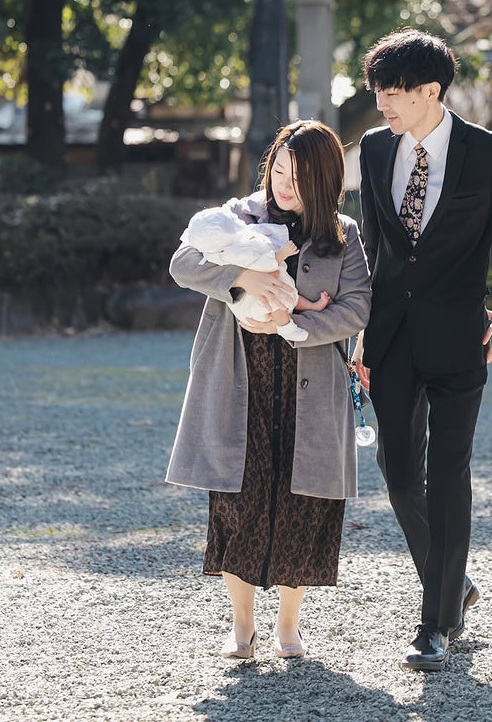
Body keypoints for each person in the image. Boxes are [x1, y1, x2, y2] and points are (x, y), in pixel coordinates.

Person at [353, 28, 492, 672]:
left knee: (447, 475)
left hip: (460, 340)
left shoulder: (489, 153)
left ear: (430, 90)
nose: (382, 103)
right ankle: (455, 584)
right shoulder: (374, 148)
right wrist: (359, 328)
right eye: (377, 90)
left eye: (393, 91)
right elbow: (376, 249)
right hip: (389, 338)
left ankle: (436, 622)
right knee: (397, 475)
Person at [166, 120, 372, 661]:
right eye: (279, 171)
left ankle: (288, 624)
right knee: (239, 499)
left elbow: (357, 308)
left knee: (303, 503)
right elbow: (182, 263)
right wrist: (242, 281)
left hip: (312, 383)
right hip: (241, 378)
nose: (284, 185)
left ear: (325, 180)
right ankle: (242, 626)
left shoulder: (343, 234)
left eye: (299, 178)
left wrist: (294, 324)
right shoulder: (238, 216)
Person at [179, 206, 330, 341]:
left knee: (291, 296)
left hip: (269, 292)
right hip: (257, 303)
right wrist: (282, 254)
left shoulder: (215, 251)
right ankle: (286, 328)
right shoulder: (237, 251)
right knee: (278, 303)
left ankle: (312, 306)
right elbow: (262, 263)